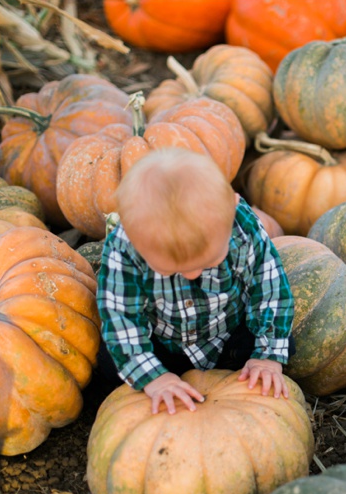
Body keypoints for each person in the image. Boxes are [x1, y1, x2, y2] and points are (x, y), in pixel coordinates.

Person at [95, 148, 295, 414]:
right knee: (107, 361)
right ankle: (152, 383)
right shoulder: (125, 248)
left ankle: (249, 366)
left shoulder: (242, 227)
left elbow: (269, 288)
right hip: (164, 343)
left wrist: (267, 357)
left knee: (284, 344)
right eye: (169, 269)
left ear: (231, 206)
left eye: (209, 261)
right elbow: (121, 316)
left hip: (226, 336)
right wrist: (154, 376)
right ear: (130, 232)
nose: (192, 275)